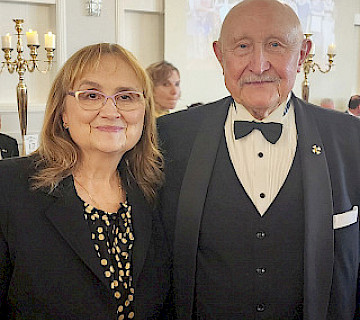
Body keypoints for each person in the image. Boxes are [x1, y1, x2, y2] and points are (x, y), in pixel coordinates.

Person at [157, 0, 360, 319]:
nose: (259, 64)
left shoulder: (352, 138)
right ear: (220, 56)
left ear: (303, 54)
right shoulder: (167, 138)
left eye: (275, 45)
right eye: (242, 46)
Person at [0, 43, 171, 319]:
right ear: (63, 113)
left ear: (144, 113)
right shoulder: (8, 187)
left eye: (126, 97)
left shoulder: (155, 191)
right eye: (91, 95)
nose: (111, 110)